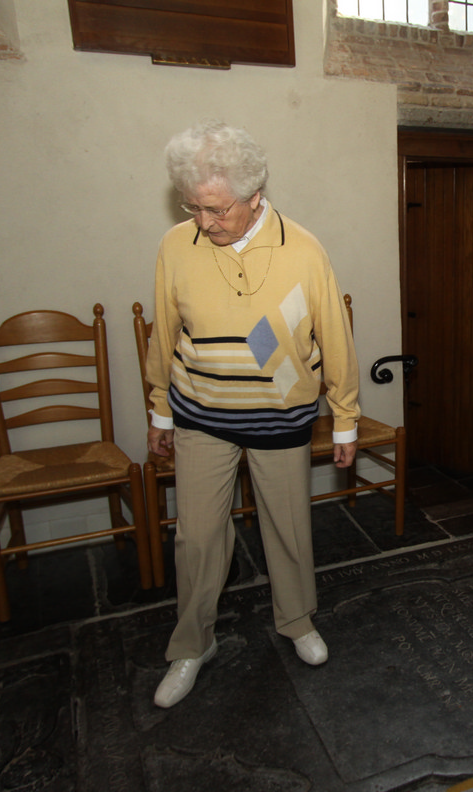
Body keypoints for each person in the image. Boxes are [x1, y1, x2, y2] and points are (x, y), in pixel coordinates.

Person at [146, 121, 360, 708]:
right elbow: (164, 331)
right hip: (201, 410)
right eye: (193, 207)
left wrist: (344, 416)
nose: (204, 221)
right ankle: (192, 644)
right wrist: (160, 410)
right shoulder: (176, 245)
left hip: (280, 413)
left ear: (255, 195)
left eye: (216, 209)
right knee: (195, 538)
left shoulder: (303, 249)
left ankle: (296, 620)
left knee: (288, 528)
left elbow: (334, 336)